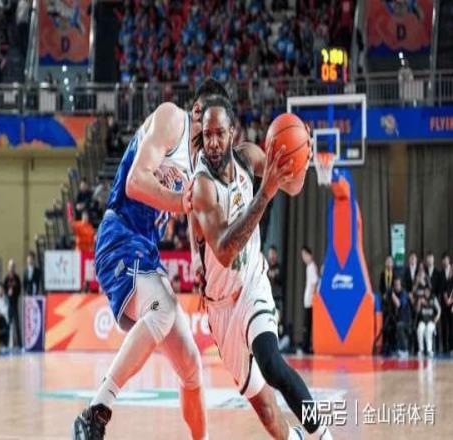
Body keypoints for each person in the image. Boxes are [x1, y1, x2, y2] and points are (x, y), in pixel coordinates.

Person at [73, 78, 230, 440]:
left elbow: (193, 211)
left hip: (146, 250)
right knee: (162, 308)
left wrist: (197, 259)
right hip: (120, 234)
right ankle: (95, 411)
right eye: (211, 125)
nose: (215, 138)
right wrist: (179, 202)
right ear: (197, 112)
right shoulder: (172, 119)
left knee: (191, 364)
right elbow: (135, 182)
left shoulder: (200, 161)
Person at [191, 97, 332, 440]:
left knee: (271, 362)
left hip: (252, 283)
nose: (213, 141)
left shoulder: (248, 157)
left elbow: (292, 186)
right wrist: (264, 194)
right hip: (221, 309)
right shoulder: (203, 187)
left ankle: (323, 435)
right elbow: (224, 252)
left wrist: (300, 157)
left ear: (232, 132)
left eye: (219, 133)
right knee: (268, 414)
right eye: (207, 134)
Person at [301, 246, 318, 354]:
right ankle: (306, 345)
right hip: (308, 300)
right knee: (307, 324)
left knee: (308, 325)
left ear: (309, 255)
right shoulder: (309, 267)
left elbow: (314, 282)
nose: (303, 258)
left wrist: (313, 297)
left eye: (304, 255)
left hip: (310, 301)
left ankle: (306, 347)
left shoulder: (311, 266)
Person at [416, 286, 441, 357]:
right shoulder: (421, 298)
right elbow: (417, 311)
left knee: (429, 330)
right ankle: (421, 350)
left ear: (430, 292)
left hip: (431, 321)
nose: (426, 292)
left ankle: (429, 350)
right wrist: (419, 303)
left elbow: (439, 309)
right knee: (420, 330)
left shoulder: (433, 298)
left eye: (428, 291)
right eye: (425, 291)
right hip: (423, 321)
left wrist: (437, 317)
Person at [3, 259, 22, 350]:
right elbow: (3, 289)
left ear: (14, 267)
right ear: (8, 267)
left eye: (13, 266)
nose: (11, 268)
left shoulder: (17, 278)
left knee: (17, 324)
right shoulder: (6, 278)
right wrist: (8, 293)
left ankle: (19, 344)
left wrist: (13, 292)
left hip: (15, 303)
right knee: (8, 324)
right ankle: (7, 344)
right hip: (8, 304)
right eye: (10, 266)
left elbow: (19, 290)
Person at [391, 277, 412, 358]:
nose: (396, 286)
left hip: (406, 321)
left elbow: (398, 304)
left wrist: (392, 295)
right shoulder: (394, 293)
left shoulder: (404, 294)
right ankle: (397, 349)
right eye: (395, 285)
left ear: (400, 285)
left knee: (399, 326)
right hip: (398, 319)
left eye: (398, 285)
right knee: (394, 325)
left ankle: (405, 350)